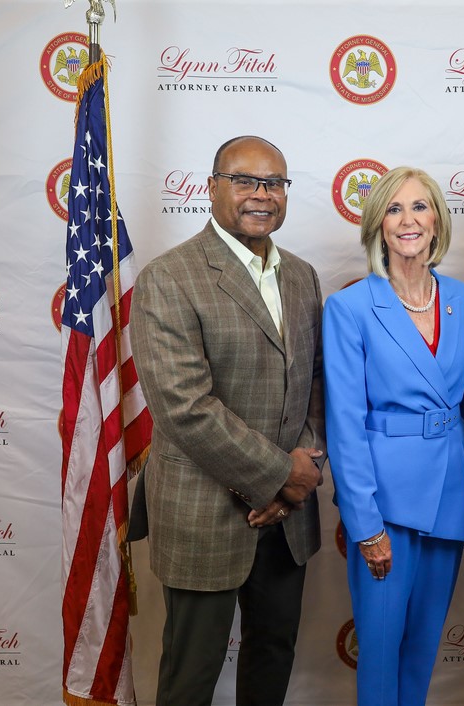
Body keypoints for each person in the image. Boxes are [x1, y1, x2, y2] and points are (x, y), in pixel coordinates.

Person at [130, 135, 324, 706]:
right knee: (191, 675)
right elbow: (184, 407)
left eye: (274, 183)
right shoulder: (169, 277)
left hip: (288, 519)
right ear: (212, 188)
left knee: (273, 659)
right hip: (204, 513)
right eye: (244, 181)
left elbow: (316, 386)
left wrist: (303, 468)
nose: (261, 194)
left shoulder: (302, 276)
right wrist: (280, 476)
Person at [323, 167, 464, 706]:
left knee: (422, 647)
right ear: (378, 225)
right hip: (386, 504)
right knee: (381, 651)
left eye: (419, 206)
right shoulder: (349, 307)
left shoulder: (460, 297)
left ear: (437, 220)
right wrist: (365, 523)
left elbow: (463, 406)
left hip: (450, 492)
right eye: (394, 209)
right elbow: (345, 424)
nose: (407, 219)